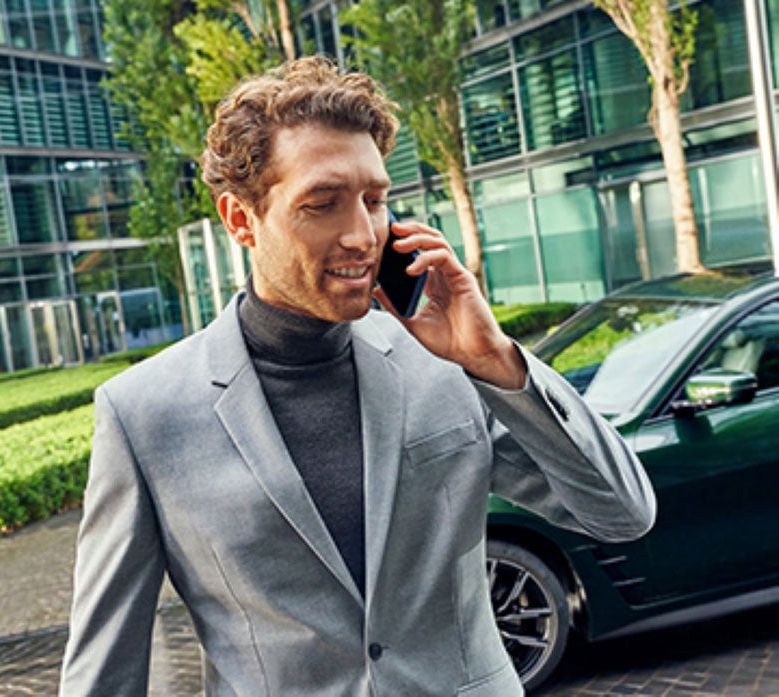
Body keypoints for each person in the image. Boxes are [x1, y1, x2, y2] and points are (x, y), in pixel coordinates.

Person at [59, 56, 656, 696]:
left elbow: (621, 514)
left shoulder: (451, 363)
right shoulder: (142, 414)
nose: (362, 235)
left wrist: (496, 361)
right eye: (323, 204)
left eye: (374, 201)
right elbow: (104, 669)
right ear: (239, 219)